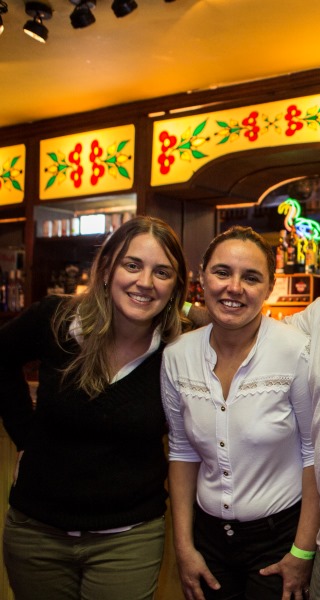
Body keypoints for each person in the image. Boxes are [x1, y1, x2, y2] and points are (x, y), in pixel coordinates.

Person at [0, 216, 188, 600]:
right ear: (106, 269)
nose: (145, 282)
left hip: (128, 540)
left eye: (162, 272)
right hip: (37, 533)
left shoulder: (181, 348)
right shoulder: (56, 319)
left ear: (176, 287)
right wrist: (24, 436)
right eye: (132, 265)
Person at [162, 226, 319, 600]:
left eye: (251, 278)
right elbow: (182, 451)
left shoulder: (296, 351)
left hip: (279, 540)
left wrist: (302, 551)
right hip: (208, 540)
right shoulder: (177, 355)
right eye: (222, 272)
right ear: (202, 276)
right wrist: (184, 547)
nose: (234, 288)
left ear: (269, 287)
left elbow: (314, 454)